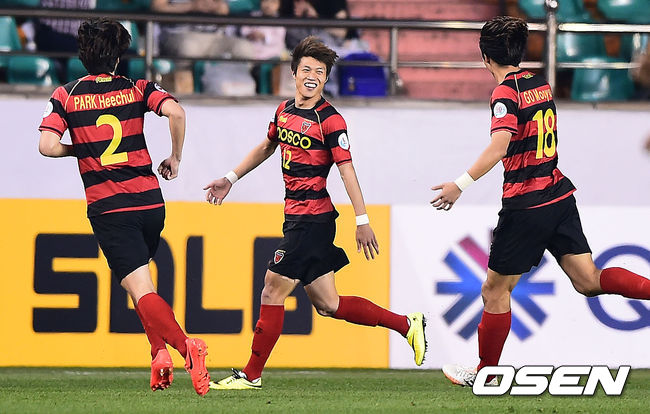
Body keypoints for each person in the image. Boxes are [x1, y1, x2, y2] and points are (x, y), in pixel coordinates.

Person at [431, 16, 650, 387]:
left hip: (527, 203)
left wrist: (459, 184)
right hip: (558, 194)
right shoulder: (540, 84)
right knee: (588, 280)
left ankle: (486, 373)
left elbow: (499, 146)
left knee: (495, 291)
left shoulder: (505, 93)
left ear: (485, 57)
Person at [203, 35, 427, 390]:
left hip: (313, 220)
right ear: (294, 72)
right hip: (295, 217)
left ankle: (251, 375)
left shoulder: (331, 120)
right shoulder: (283, 111)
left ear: (326, 79)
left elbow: (347, 170)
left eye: (319, 72)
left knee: (272, 289)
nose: (312, 76)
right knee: (329, 304)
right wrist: (230, 178)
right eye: (306, 69)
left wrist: (362, 220)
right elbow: (267, 146)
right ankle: (406, 324)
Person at [38, 18, 210, 396]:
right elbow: (177, 113)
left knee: (140, 287)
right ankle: (158, 355)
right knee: (140, 284)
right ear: (118, 56)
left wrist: (82, 150)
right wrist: (175, 158)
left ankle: (186, 347)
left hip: (110, 207)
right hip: (150, 202)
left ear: (83, 56)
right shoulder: (137, 88)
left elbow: (47, 146)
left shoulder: (67, 94)